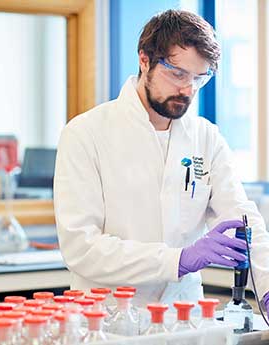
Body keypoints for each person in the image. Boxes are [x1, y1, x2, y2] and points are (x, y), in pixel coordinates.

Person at [53, 9, 269, 313]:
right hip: (108, 318)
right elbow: (81, 248)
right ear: (145, 60)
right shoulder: (85, 134)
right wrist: (177, 260)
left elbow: (243, 221)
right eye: (178, 74)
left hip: (184, 319)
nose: (188, 90)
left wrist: (268, 286)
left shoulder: (206, 137)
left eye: (199, 78)